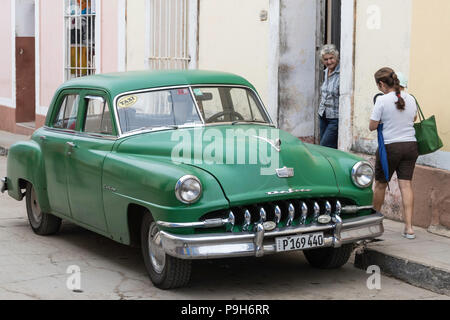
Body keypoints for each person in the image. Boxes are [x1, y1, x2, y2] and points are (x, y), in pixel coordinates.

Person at [369, 67, 418, 239]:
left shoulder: (382, 101)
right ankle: (409, 228)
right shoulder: (411, 98)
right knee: (406, 185)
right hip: (411, 146)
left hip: (390, 147)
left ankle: (373, 224)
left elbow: (372, 126)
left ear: (382, 84)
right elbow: (414, 119)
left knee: (381, 184)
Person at [318, 44, 340, 149]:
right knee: (327, 148)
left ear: (336, 57)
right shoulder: (326, 71)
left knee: (324, 146)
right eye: (326, 59)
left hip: (335, 118)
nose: (329, 62)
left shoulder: (341, 73)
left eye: (331, 58)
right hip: (323, 114)